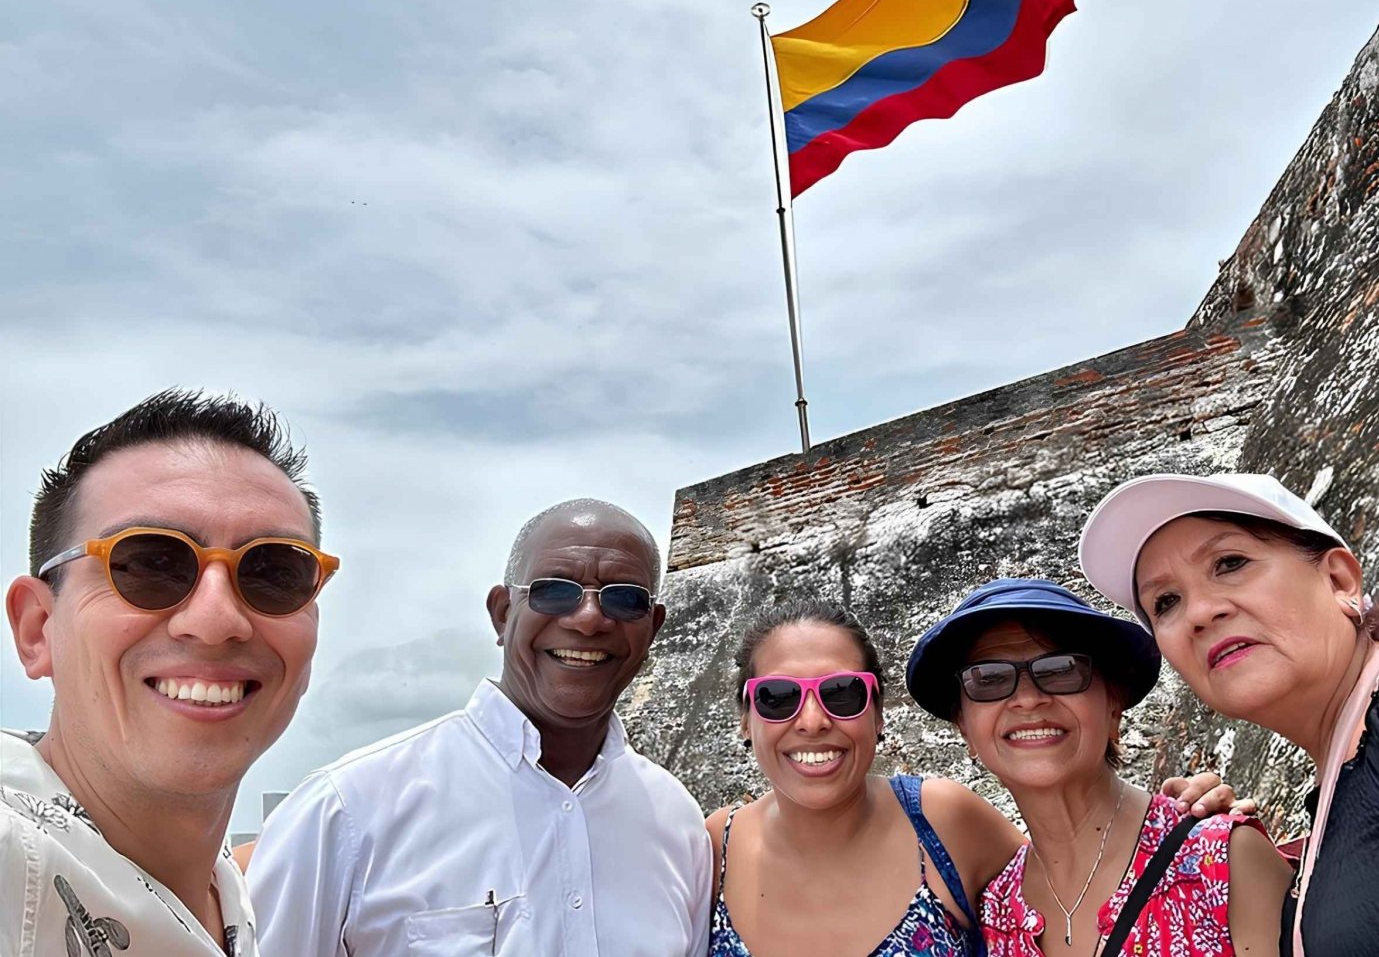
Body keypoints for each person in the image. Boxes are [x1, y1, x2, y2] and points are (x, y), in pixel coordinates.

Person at [248, 499, 711, 956]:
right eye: (555, 590)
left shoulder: (677, 825)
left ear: (652, 628)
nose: (589, 619)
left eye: (624, 599)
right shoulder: (346, 813)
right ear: (503, 613)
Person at [1079, 472, 1379, 957]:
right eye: (1166, 602)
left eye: (1230, 562)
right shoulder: (1345, 784)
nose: (1199, 612)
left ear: (1339, 578)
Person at [1, 389, 339, 957]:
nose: (217, 619)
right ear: (39, 628)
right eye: (151, 563)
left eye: (275, 572)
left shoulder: (224, 890)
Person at [709, 600, 1244, 957]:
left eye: (842, 693)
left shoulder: (941, 821)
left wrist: (1190, 828)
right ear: (745, 718)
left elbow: (1069, 869)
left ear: (876, 714)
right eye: (777, 698)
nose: (811, 720)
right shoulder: (710, 850)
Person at [907, 579, 1289, 957]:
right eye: (988, 679)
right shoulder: (994, 918)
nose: (1027, 699)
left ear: (1113, 706)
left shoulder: (1220, 860)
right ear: (966, 730)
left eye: (1061, 669)